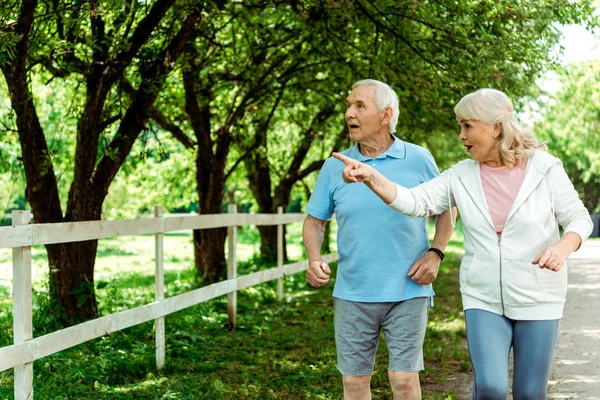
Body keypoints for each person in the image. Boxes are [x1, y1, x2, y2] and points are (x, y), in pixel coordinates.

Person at [332, 88, 593, 400]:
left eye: (467, 126)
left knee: (529, 393)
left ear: (495, 127)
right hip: (482, 298)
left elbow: (579, 217)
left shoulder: (545, 168)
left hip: (539, 295)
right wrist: (372, 177)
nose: (460, 135)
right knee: (492, 389)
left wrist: (562, 248)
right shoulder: (461, 175)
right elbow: (415, 201)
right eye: (459, 126)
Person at [303, 79, 455, 400]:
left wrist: (435, 254)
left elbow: (446, 210)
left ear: (385, 115)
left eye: (359, 106)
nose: (349, 113)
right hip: (353, 293)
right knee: (355, 384)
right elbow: (315, 221)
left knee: (402, 378)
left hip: (408, 289)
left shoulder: (418, 158)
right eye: (348, 105)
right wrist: (314, 258)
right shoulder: (335, 166)